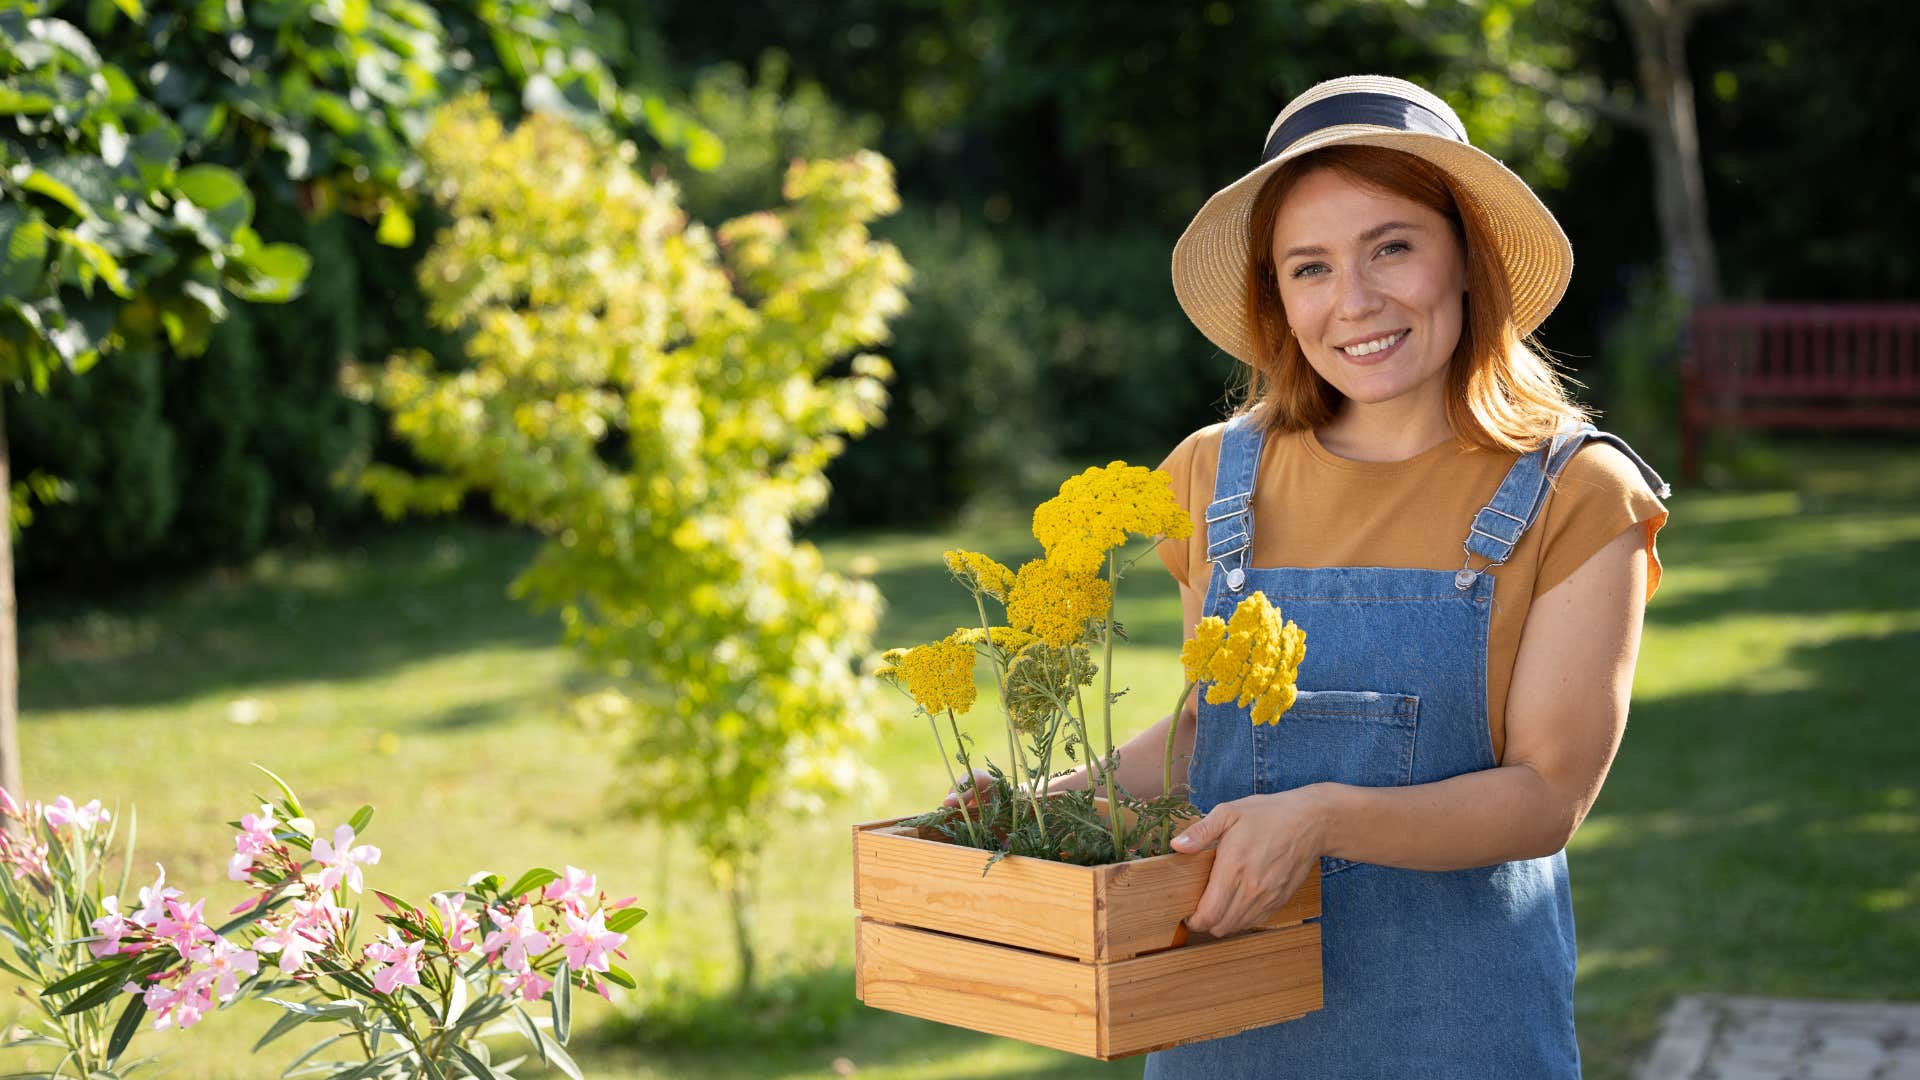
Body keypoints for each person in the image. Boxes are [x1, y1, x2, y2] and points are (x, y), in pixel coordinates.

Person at [964, 75, 1671, 1076]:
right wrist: (1041, 803)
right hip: (1221, 1026)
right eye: (1310, 267)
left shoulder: (1576, 490)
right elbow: (1215, 731)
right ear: (1278, 298)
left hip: (1457, 1035)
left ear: (1466, 258)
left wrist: (1323, 819)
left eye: (1392, 247)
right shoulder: (1214, 476)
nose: (1356, 302)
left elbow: (1546, 795)